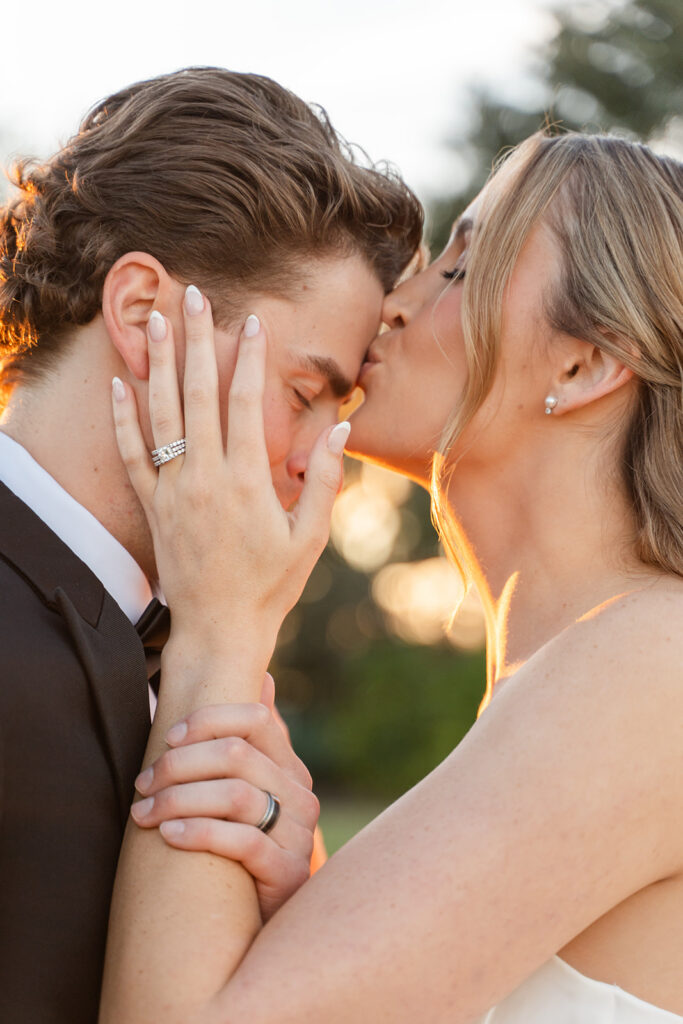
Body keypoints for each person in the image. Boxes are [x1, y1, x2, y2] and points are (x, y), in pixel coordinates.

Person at [101, 131, 683, 1023]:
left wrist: (219, 627)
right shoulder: (588, 670)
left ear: (585, 363)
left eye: (461, 268)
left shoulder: (649, 669)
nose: (395, 305)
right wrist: (299, 902)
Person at [0, 67, 422, 1023]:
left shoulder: (187, 648)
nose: (319, 464)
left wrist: (279, 910)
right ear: (142, 314)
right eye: (304, 393)